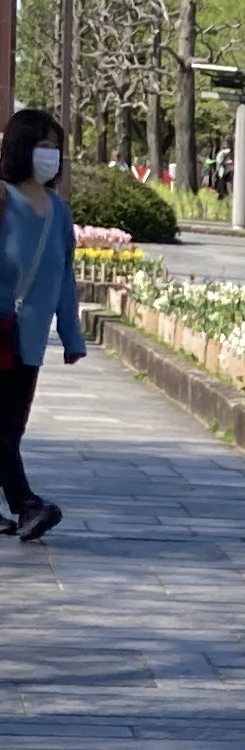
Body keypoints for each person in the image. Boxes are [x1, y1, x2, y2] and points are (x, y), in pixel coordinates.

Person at [0, 105, 84, 546]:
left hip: (29, 341)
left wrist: (72, 336)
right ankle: (28, 505)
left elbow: (65, 277)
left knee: (10, 430)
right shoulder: (1, 200)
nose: (51, 155)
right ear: (21, 148)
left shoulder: (58, 212)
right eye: (43, 146)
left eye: (56, 147)